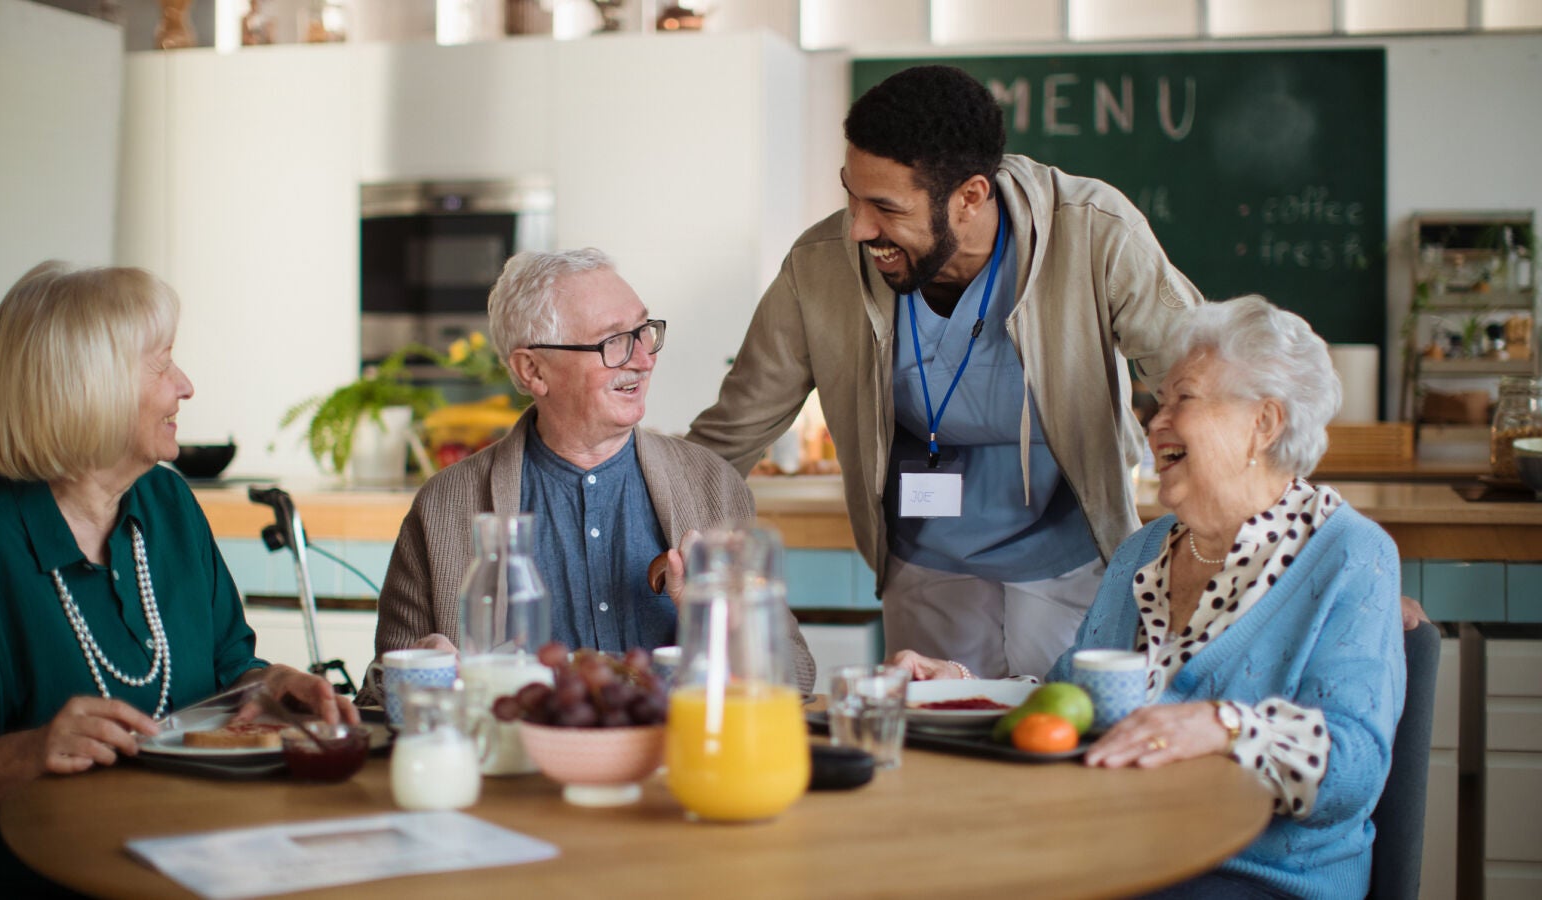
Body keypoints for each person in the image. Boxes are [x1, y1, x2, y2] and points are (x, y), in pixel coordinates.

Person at [687, 65, 1204, 680]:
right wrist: (661, 528)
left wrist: (1205, 534)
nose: (858, 228)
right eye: (850, 194)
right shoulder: (820, 268)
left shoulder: (1093, 232)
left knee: (1062, 742)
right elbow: (728, 435)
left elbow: (1203, 378)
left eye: (885, 206)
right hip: (926, 562)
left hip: (1071, 560)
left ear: (970, 197)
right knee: (939, 748)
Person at [898, 296, 1406, 898]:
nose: (1154, 423)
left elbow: (1355, 768)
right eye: (1157, 402)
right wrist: (957, 689)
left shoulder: (1350, 555)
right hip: (1118, 855)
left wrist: (1222, 726)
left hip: (1256, 877)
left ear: (1263, 424)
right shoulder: (1144, 553)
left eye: (1182, 399)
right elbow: (1072, 703)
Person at [0, 261, 355, 889]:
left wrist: (268, 687)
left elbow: (225, 671)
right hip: (44, 876)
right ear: (89, 384)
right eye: (162, 364)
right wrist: (35, 749)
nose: (185, 386)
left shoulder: (169, 504)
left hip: (195, 857)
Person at [370, 248, 816, 694]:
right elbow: (376, 695)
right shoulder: (444, 506)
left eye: (643, 331)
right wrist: (417, 672)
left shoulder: (713, 485)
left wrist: (717, 622)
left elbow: (795, 677)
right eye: (613, 342)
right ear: (533, 370)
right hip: (516, 761)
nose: (643, 359)